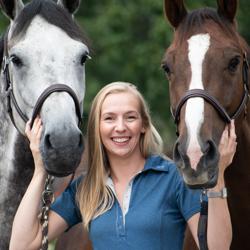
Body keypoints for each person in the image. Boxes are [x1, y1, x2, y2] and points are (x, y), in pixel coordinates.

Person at [10, 82, 236, 250]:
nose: (120, 127)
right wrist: (40, 170)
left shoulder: (173, 178)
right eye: (109, 118)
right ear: (97, 127)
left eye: (130, 117)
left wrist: (220, 176)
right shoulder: (85, 188)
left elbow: (217, 247)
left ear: (144, 125)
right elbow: (22, 245)